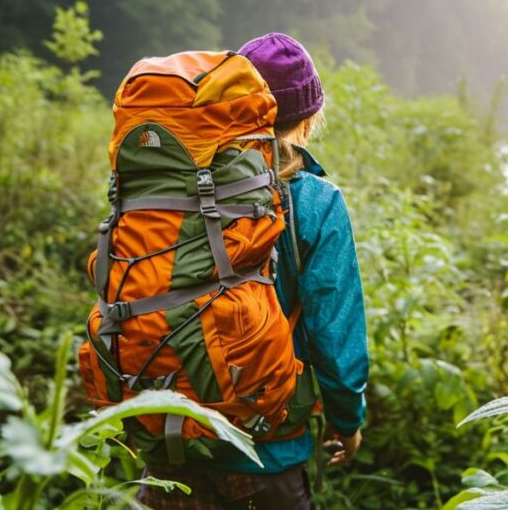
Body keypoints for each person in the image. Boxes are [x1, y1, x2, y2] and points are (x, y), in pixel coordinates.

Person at [139, 33, 370, 509]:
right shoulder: (314, 201)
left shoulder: (170, 187)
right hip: (266, 452)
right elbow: (334, 335)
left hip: (168, 443)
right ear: (307, 120)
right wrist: (347, 423)